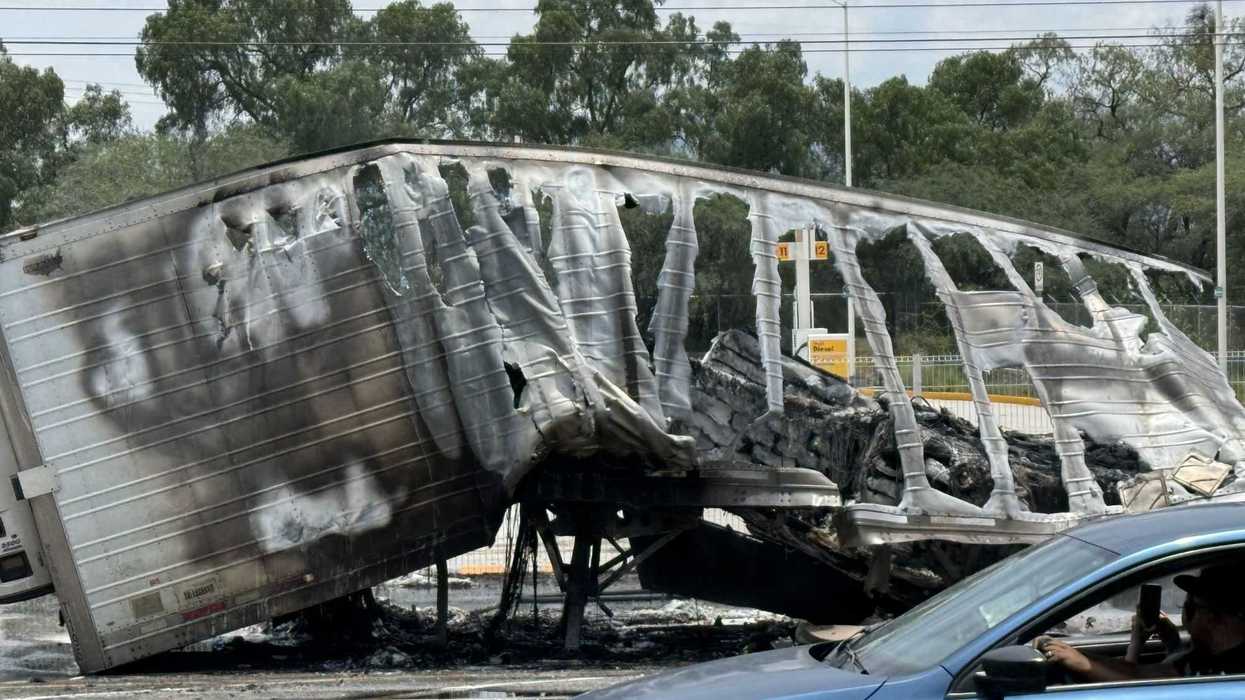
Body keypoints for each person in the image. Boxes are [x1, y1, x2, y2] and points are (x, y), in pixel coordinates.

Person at [1038, 563, 1245, 682]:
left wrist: (1083, 663)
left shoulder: (1233, 672)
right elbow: (1145, 674)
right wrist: (1078, 655)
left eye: (1190, 606)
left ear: (1214, 617)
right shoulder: (1204, 657)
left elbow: (1151, 685)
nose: (1185, 614)